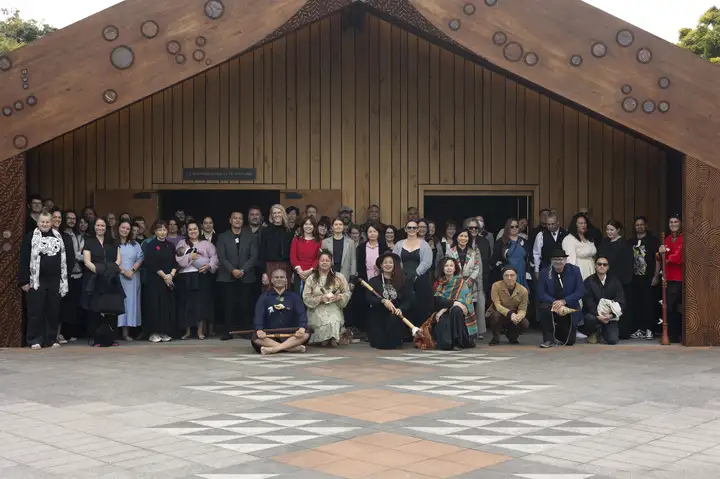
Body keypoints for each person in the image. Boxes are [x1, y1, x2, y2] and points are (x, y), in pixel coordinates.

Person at [18, 211, 70, 349]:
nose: (45, 224)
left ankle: (51, 339)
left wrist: (62, 280)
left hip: (55, 280)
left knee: (53, 310)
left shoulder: (58, 237)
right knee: (36, 311)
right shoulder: (30, 237)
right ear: (38, 222)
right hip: (36, 280)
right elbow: (23, 259)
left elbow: (64, 259)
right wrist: (23, 281)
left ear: (51, 223)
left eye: (47, 222)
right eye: (42, 222)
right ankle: (34, 339)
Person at [82, 217, 125, 346]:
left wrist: (109, 271)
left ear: (106, 228)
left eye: (103, 226)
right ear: (94, 227)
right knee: (96, 308)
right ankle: (96, 339)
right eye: (98, 225)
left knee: (111, 308)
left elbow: (118, 260)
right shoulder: (89, 241)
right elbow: (87, 261)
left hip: (111, 278)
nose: (100, 228)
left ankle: (111, 338)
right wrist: (100, 271)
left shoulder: (113, 241)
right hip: (95, 278)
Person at [216, 212, 258, 339]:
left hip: (246, 276)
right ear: (230, 220)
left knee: (245, 305)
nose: (237, 220)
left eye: (240, 218)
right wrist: (233, 270)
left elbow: (254, 256)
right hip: (227, 276)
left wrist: (242, 270)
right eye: (235, 218)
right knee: (228, 305)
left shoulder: (250, 236)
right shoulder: (223, 236)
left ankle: (245, 331)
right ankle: (228, 332)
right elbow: (221, 256)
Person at [176, 220, 219, 340]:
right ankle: (188, 331)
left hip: (201, 276)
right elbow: (177, 258)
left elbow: (215, 257)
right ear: (187, 231)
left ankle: (200, 332)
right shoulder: (181, 243)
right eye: (190, 229)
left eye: (195, 229)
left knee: (201, 305)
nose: (193, 231)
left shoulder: (206, 244)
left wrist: (209, 266)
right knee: (186, 305)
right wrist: (190, 257)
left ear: (199, 230)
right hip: (185, 277)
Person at [251, 268, 310, 355]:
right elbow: (259, 315)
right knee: (255, 337)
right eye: (276, 277)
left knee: (306, 334)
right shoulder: (264, 297)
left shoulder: (294, 297)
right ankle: (290, 348)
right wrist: (259, 329)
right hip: (270, 334)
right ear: (272, 280)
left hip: (291, 334)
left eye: (282, 277)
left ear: (286, 280)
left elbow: (302, 314)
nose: (279, 279)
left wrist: (302, 327)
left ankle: (273, 349)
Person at [537, 248, 585, 348]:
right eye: (555, 259)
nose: (558, 262)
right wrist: (554, 302)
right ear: (551, 261)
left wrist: (564, 301)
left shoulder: (574, 270)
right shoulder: (544, 272)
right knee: (544, 307)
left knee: (569, 341)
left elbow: (580, 291)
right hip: (551, 304)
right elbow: (541, 293)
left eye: (561, 259)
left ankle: (558, 332)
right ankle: (548, 339)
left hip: (569, 306)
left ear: (565, 260)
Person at [302, 250, 352, 346]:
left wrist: (338, 297)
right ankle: (325, 339)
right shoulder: (311, 278)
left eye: (327, 260)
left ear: (331, 262)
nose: (324, 262)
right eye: (322, 260)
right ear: (318, 262)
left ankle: (332, 338)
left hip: (333, 307)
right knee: (323, 322)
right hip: (316, 308)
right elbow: (306, 297)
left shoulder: (339, 277)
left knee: (333, 320)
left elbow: (347, 293)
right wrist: (320, 298)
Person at [426, 258, 476, 350]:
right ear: (443, 268)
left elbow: (465, 303)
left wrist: (446, 307)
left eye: (451, 266)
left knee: (456, 310)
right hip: (443, 314)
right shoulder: (439, 284)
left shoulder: (461, 283)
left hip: (458, 316)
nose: (449, 268)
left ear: (455, 268)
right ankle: (448, 342)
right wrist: (453, 303)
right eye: (446, 266)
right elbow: (437, 301)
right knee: (445, 343)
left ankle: (458, 341)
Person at [366, 251, 414, 349]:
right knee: (379, 343)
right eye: (385, 262)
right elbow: (369, 298)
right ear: (381, 265)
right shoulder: (374, 281)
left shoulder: (402, 280)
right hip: (378, 316)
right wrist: (382, 301)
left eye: (390, 262)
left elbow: (408, 300)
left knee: (392, 342)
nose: (388, 265)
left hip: (395, 316)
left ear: (394, 265)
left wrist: (401, 309)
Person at [597, 220, 634, 339]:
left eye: (612, 230)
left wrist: (625, 279)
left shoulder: (624, 244)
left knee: (620, 304)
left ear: (618, 230)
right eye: (607, 229)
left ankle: (623, 332)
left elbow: (628, 263)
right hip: (606, 278)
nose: (609, 232)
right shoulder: (604, 242)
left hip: (621, 279)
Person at [393, 220, 433, 327]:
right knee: (405, 303)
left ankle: (420, 331)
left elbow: (427, 261)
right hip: (402, 279)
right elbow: (395, 260)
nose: (411, 230)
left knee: (420, 305)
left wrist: (416, 274)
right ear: (405, 229)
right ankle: (406, 332)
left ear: (418, 229)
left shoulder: (424, 245)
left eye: (414, 228)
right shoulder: (399, 244)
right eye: (409, 228)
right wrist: (402, 274)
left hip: (420, 278)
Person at [142, 220, 177, 343]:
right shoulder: (151, 245)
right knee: (154, 306)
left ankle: (164, 332)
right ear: (155, 231)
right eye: (160, 230)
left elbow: (174, 262)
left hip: (168, 280)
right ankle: (154, 332)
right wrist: (164, 276)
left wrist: (171, 275)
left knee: (166, 307)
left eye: (164, 229)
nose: (162, 232)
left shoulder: (171, 245)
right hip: (155, 280)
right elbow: (151, 263)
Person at [444, 228, 482, 336]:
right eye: (461, 236)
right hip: (454, 283)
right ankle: (457, 331)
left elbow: (476, 268)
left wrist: (469, 281)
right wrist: (457, 280)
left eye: (466, 236)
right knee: (457, 306)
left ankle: (470, 333)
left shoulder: (474, 252)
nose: (463, 238)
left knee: (469, 308)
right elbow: (448, 266)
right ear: (456, 237)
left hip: (469, 284)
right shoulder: (450, 251)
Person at [629, 216, 661, 340]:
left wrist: (656, 275)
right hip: (634, 278)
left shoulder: (653, 241)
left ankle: (650, 329)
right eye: (637, 225)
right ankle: (639, 329)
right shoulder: (630, 241)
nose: (639, 227)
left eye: (642, 224)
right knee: (637, 304)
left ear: (646, 226)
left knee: (649, 303)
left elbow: (658, 259)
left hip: (648, 277)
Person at [582, 256, 625, 345]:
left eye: (604, 264)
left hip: (610, 316)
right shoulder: (588, 281)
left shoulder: (615, 281)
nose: (602, 266)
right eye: (599, 264)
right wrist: (598, 315)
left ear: (608, 267)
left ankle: (603, 332)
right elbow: (587, 301)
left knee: (612, 340)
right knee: (589, 318)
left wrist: (611, 315)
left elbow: (621, 300)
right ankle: (593, 332)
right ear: (595, 266)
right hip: (595, 315)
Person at [488, 266, 530, 345]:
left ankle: (512, 336)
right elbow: (497, 304)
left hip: (515, 313)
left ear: (516, 276)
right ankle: (495, 337)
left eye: (512, 275)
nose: (509, 278)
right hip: (499, 312)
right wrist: (510, 314)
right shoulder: (496, 286)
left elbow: (523, 308)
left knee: (525, 323)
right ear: (503, 277)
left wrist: (519, 316)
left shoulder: (523, 290)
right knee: (495, 316)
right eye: (506, 275)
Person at [117, 220, 143, 341]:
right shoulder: (114, 244)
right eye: (123, 227)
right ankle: (118, 331)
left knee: (130, 303)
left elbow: (141, 258)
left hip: (132, 277)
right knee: (119, 302)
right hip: (118, 276)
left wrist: (131, 270)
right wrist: (123, 271)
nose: (125, 230)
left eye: (128, 228)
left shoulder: (135, 244)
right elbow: (111, 259)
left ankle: (127, 331)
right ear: (118, 228)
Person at [259, 204, 295, 291]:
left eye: (279, 212)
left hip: (286, 266)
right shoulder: (265, 230)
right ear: (271, 215)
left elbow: (293, 252)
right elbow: (261, 251)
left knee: (286, 293)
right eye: (274, 213)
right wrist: (264, 272)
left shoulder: (289, 231)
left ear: (283, 214)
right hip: (270, 266)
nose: (277, 215)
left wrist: (293, 271)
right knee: (269, 293)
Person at [660, 214, 683, 343]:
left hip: (679, 278)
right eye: (671, 222)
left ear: (680, 223)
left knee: (674, 307)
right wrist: (660, 253)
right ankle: (673, 334)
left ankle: (678, 334)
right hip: (668, 277)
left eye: (675, 222)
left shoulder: (683, 238)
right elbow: (659, 256)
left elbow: (677, 257)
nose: (673, 224)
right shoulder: (667, 239)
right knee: (669, 307)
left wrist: (665, 257)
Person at [491, 218, 530, 288]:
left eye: (516, 226)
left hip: (522, 273)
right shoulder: (501, 242)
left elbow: (529, 258)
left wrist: (528, 271)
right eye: (512, 227)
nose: (514, 228)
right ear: (507, 228)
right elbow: (494, 260)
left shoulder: (525, 242)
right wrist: (502, 269)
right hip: (507, 274)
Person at [290, 216, 321, 295]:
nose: (308, 226)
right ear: (302, 226)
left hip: (312, 273)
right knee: (298, 296)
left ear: (314, 226)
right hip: (298, 273)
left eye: (310, 224)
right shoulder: (296, 239)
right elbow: (293, 256)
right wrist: (300, 271)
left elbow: (318, 258)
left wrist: (310, 271)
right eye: (306, 224)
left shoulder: (318, 241)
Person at [562, 213, 597, 280]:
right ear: (575, 225)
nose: (583, 225)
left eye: (585, 223)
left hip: (591, 269)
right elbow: (570, 260)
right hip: (580, 270)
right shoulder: (569, 239)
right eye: (580, 223)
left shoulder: (589, 238)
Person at [322, 217, 357, 281]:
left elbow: (353, 260)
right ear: (332, 227)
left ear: (343, 227)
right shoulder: (325, 242)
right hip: (329, 274)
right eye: (336, 224)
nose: (338, 226)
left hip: (345, 274)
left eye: (340, 224)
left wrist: (352, 278)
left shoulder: (350, 242)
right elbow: (322, 260)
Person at [533, 213, 568, 278]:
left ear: (558, 223)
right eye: (548, 224)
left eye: (552, 224)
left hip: (563, 267)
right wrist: (536, 270)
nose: (550, 226)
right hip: (546, 266)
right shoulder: (541, 235)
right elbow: (536, 254)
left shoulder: (566, 234)